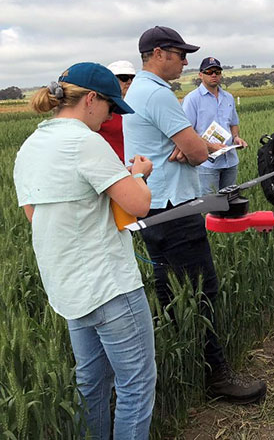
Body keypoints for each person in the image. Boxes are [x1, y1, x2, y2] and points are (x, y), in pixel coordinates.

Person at [123, 26, 266, 404]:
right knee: (203, 291)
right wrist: (192, 148)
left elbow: (190, 147)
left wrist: (188, 147)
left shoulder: (135, 91)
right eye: (179, 53)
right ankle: (216, 377)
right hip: (175, 206)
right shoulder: (157, 94)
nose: (185, 61)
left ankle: (182, 371)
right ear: (157, 53)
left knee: (170, 293)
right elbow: (201, 152)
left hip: (154, 206)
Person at [14, 62, 156, 439]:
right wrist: (139, 173)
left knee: (91, 384)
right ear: (91, 99)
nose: (110, 116)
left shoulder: (31, 147)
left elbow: (35, 217)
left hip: (69, 291)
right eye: (110, 107)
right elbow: (139, 205)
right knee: (136, 384)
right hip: (111, 287)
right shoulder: (86, 142)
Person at [182, 56, 247, 194]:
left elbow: (233, 123)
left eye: (217, 72)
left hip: (230, 160)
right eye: (209, 72)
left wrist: (236, 138)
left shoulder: (228, 97)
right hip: (207, 164)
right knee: (211, 206)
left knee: (230, 202)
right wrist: (211, 147)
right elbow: (187, 132)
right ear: (200, 75)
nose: (214, 75)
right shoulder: (192, 99)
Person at [98, 60, 137, 162]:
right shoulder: (101, 109)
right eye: (124, 78)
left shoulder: (139, 105)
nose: (129, 81)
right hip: (115, 167)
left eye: (132, 78)